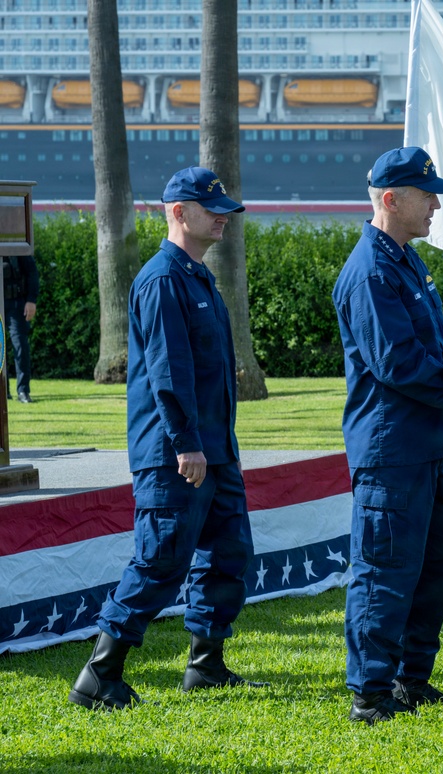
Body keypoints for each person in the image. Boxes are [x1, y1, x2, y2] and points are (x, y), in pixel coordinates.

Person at [68, 167, 266, 711]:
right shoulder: (161, 279)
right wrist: (186, 444)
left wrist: (211, 445)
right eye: (211, 208)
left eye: (225, 207)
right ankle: (99, 675)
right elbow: (167, 372)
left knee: (228, 555)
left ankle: (206, 666)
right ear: (178, 212)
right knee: (160, 560)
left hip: (214, 450)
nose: (223, 216)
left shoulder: (198, 275)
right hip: (178, 454)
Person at [333, 146, 443, 725]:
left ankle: (411, 680)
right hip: (393, 451)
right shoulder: (370, 272)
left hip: (427, 445)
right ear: (391, 199)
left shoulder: (404, 261)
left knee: (434, 567)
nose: (436, 204)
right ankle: (370, 692)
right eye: (427, 194)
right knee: (385, 570)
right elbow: (399, 364)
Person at [3, 252, 39, 403]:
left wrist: (31, 300)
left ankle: (23, 391)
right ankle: (2, 390)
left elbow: (32, 272)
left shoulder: (15, 244)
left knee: (20, 346)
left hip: (15, 303)